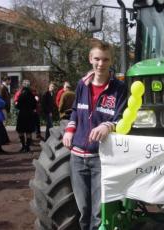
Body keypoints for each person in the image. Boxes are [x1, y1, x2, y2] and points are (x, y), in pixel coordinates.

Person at [62, 40, 127, 230]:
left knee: (99, 212)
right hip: (77, 156)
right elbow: (75, 110)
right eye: (97, 59)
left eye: (105, 60)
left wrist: (107, 126)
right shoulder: (82, 84)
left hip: (101, 157)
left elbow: (122, 118)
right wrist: (69, 130)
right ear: (90, 59)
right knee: (83, 209)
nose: (101, 64)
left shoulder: (119, 89)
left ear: (111, 61)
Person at [16, 79, 36, 153]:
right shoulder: (31, 95)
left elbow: (18, 106)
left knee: (21, 131)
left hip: (22, 115)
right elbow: (34, 105)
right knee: (28, 132)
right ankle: (27, 147)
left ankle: (23, 146)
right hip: (30, 114)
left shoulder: (21, 94)